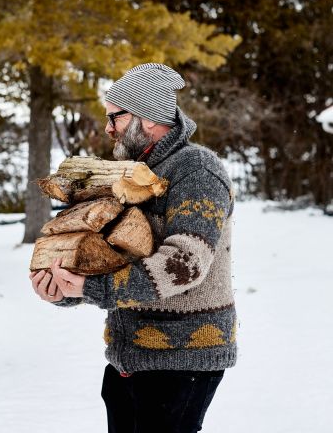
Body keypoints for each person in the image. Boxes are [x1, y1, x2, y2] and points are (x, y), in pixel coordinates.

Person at [30, 63, 237, 433]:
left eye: (116, 117)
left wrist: (93, 289)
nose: (108, 128)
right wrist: (64, 289)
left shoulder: (197, 169)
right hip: (129, 358)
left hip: (182, 359)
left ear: (151, 118)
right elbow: (112, 257)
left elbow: (184, 263)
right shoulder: (129, 176)